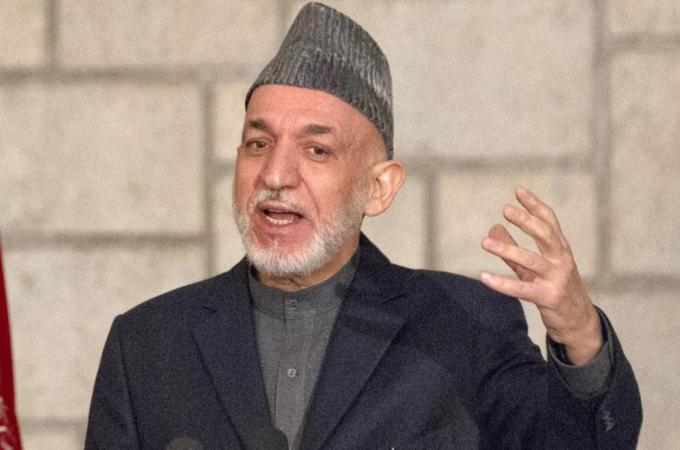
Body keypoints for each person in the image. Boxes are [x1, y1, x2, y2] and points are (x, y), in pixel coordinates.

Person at [85, 3, 641, 449]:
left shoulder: (463, 326)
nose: (275, 174)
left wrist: (578, 331)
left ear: (379, 188)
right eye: (258, 143)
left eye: (317, 150)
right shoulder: (147, 345)